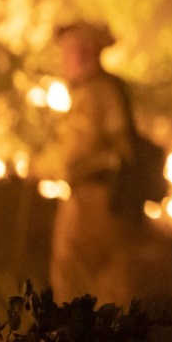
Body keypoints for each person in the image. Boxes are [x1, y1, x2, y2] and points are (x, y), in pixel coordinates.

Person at [45, 19, 140, 308]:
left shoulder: (95, 92)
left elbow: (88, 148)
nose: (65, 59)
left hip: (92, 196)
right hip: (93, 194)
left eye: (70, 51)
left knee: (76, 275)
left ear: (86, 53)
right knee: (99, 278)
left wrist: (55, 163)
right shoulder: (95, 91)